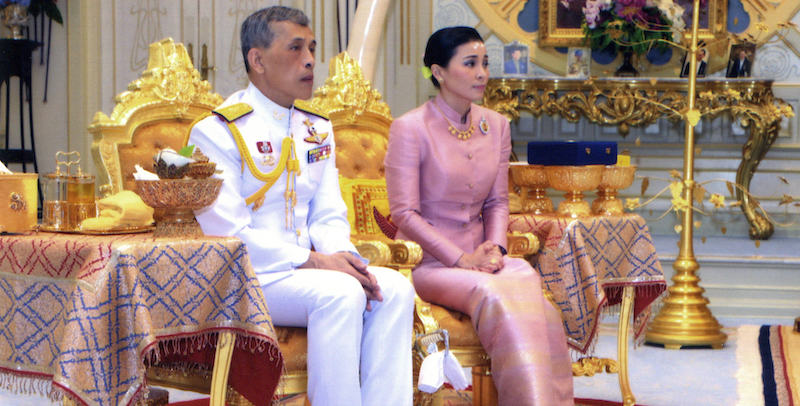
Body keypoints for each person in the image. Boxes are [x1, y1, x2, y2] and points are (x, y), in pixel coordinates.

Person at [187, 6, 415, 405]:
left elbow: (328, 214)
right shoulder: (216, 131)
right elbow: (229, 234)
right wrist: (315, 262)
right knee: (341, 294)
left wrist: (344, 258)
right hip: (248, 275)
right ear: (257, 60)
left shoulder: (316, 126)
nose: (310, 60)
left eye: (311, 47)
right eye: (295, 48)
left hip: (307, 271)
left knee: (392, 288)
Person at [384, 27, 574, 406]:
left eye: (484, 63)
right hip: (434, 265)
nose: (482, 73)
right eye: (470, 64)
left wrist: (498, 248)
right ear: (439, 72)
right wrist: (462, 259)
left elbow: (497, 202)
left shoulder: (496, 125)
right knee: (493, 294)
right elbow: (404, 213)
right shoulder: (410, 128)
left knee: (537, 296)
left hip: (486, 260)